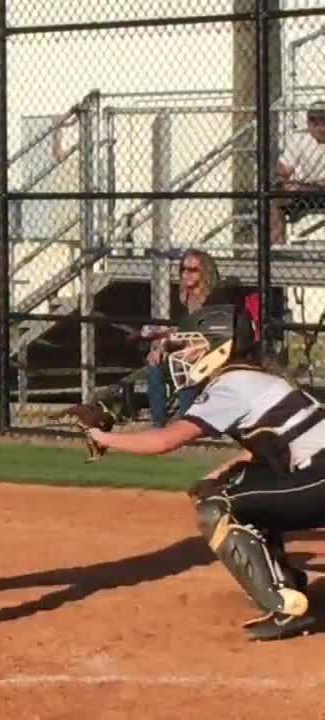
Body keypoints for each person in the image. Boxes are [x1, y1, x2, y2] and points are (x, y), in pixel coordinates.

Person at [83, 303, 321, 642]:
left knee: (217, 505)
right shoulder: (251, 379)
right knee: (230, 485)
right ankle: (286, 580)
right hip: (317, 475)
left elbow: (165, 440)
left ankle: (285, 603)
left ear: (219, 346)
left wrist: (101, 438)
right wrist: (218, 476)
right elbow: (265, 450)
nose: (186, 355)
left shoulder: (231, 384)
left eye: (194, 346)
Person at [142, 249, 223, 426]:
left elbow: (216, 336)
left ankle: (187, 421)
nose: (186, 274)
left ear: (205, 272)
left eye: (193, 270)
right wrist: (160, 347)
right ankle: (158, 424)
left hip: (210, 352)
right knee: (154, 365)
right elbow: (175, 330)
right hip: (184, 349)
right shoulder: (181, 298)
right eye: (183, 269)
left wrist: (193, 348)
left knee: (185, 365)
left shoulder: (215, 299)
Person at [273, 101, 325, 246]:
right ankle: (278, 248)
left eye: (323, 121)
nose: (320, 127)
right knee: (276, 200)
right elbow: (283, 171)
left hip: (315, 189)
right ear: (308, 124)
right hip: (303, 191)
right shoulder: (300, 140)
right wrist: (284, 183)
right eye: (314, 122)